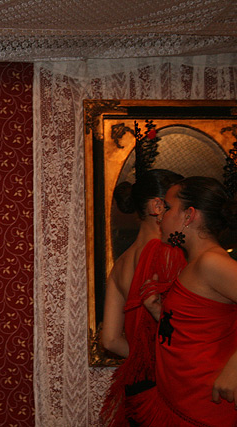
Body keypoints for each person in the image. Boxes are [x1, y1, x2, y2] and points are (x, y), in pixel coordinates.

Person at [127, 176, 237, 426]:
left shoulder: (212, 262)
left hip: (205, 409)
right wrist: (160, 313)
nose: (160, 215)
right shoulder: (194, 264)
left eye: (167, 207)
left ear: (189, 215)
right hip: (180, 403)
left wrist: (235, 368)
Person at [100, 169, 186, 426]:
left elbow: (110, 340)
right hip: (167, 387)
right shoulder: (168, 253)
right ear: (157, 207)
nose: (186, 214)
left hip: (138, 387)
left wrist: (143, 360)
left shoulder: (120, 264)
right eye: (180, 205)